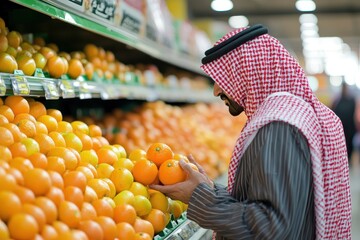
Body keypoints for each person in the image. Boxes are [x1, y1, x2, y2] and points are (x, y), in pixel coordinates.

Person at [151, 24, 352, 239]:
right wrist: (211, 189)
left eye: (223, 75)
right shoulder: (291, 117)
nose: (216, 89)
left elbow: (273, 229)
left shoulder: (279, 129)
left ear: (249, 71)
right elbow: (266, 203)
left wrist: (200, 197)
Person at [332, 81, 356, 164]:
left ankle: (348, 159)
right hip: (340, 128)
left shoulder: (352, 100)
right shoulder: (337, 100)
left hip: (350, 128)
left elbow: (355, 114)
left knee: (349, 144)